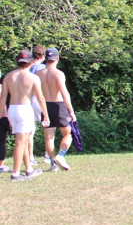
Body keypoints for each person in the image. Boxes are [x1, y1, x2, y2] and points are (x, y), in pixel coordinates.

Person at [0, 49, 50, 180]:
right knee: (20, 142)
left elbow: (3, 97)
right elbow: (40, 98)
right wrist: (46, 114)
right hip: (25, 109)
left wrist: (2, 114)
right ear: (30, 62)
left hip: (12, 109)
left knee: (25, 140)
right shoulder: (33, 77)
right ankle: (16, 173)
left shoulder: (9, 76)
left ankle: (29, 169)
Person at [36, 48, 76, 171]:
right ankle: (61, 155)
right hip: (58, 104)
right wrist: (71, 111)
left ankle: (53, 164)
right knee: (68, 134)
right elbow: (64, 93)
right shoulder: (58, 74)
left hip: (45, 106)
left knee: (49, 137)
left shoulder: (38, 74)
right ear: (57, 58)